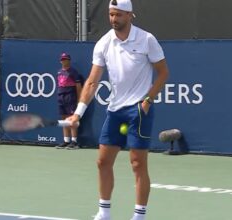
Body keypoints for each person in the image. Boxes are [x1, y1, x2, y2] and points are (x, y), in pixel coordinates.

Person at [67, 0, 169, 219]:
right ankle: (104, 213)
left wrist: (148, 100)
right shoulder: (103, 43)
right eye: (111, 15)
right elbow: (93, 81)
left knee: (137, 163)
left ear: (130, 15)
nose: (114, 19)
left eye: (119, 15)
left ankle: (139, 215)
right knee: (103, 161)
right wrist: (78, 113)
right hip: (115, 110)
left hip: (139, 110)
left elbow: (163, 73)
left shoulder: (147, 40)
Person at [55, 52, 83, 150]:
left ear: (69, 61)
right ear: (60, 61)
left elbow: (78, 87)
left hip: (70, 97)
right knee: (64, 119)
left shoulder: (73, 72)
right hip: (61, 97)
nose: (64, 61)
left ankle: (74, 142)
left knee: (72, 119)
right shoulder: (59, 72)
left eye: (66, 59)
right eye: (62, 59)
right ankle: (66, 141)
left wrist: (80, 100)